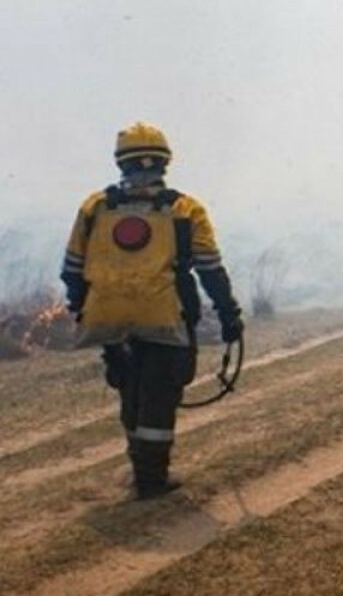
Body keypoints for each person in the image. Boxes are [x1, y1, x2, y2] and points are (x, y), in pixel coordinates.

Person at [60, 122, 243, 498]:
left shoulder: (95, 207)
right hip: (167, 317)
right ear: (164, 162)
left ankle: (138, 465)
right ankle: (151, 479)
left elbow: (73, 268)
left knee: (130, 389)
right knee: (159, 394)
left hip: (109, 318)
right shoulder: (185, 209)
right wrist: (229, 314)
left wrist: (81, 308)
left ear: (121, 163)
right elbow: (210, 268)